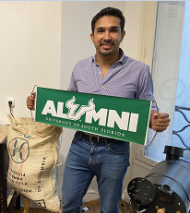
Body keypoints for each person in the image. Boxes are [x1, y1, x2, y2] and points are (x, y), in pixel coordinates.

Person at [26, 7, 171, 213]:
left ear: (122, 34)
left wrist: (154, 121)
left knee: (109, 209)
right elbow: (68, 104)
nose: (107, 36)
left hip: (115, 151)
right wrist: (39, 104)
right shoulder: (80, 68)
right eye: (101, 31)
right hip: (80, 146)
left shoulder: (139, 71)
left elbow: (149, 105)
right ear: (93, 37)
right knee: (68, 203)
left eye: (113, 30)